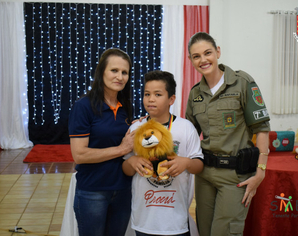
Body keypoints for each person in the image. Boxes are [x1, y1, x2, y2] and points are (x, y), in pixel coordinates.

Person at [185, 32, 270, 236]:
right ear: (191, 60)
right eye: (196, 56)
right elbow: (188, 132)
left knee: (224, 233)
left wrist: (261, 171)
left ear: (218, 52)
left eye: (207, 53)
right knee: (204, 231)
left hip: (235, 176)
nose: (203, 60)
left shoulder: (242, 82)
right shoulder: (195, 93)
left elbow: (262, 129)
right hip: (205, 174)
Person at [122, 71, 204, 236]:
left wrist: (186, 163)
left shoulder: (185, 127)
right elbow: (125, 168)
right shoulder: (135, 129)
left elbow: (199, 165)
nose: (150, 99)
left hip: (176, 220)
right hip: (144, 219)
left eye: (157, 94)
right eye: (147, 94)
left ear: (171, 99)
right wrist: (132, 162)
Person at [68, 48, 135, 236]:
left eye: (124, 72)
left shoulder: (126, 107)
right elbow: (79, 155)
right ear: (101, 72)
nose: (120, 77)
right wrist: (121, 149)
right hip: (93, 192)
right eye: (114, 70)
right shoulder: (83, 107)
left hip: (123, 190)